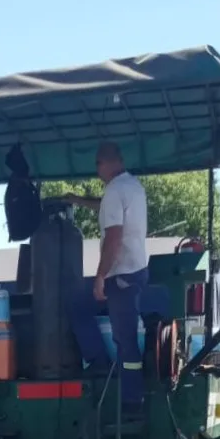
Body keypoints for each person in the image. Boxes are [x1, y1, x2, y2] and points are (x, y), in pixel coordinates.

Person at [63, 142, 150, 423]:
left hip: (120, 274)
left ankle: (131, 401)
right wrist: (77, 200)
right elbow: (104, 207)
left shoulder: (114, 191)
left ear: (105, 163)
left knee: (124, 338)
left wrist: (100, 276)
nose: (97, 171)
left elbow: (113, 238)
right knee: (81, 306)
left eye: (97, 165)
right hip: (136, 270)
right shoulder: (132, 186)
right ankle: (101, 365)